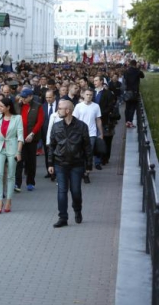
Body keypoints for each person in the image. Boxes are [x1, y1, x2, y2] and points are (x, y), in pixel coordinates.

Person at [48, 100, 93, 228]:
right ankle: (63, 217)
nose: (58, 110)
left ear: (68, 110)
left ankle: (77, 210)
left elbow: (87, 147)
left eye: (60, 108)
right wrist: (50, 163)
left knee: (76, 191)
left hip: (77, 164)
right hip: (60, 164)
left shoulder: (81, 126)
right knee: (61, 191)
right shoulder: (56, 126)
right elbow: (51, 146)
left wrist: (89, 166)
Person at [0, 98, 24, 213]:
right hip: (0, 147)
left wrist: (19, 152)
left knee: (11, 176)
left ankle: (8, 200)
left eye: (1, 106)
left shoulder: (17, 118)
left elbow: (20, 136)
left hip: (13, 147)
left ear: (8, 107)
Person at [14, 88, 44, 192]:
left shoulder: (37, 106)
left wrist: (32, 134)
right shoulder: (17, 105)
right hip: (19, 137)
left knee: (31, 161)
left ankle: (30, 182)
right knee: (19, 160)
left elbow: (40, 122)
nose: (23, 99)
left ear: (31, 97)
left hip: (32, 137)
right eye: (22, 96)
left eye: (25, 97)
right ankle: (17, 183)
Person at [73, 88, 103, 183]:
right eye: (87, 94)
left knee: (88, 154)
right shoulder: (78, 106)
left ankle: (87, 173)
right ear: (83, 95)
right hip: (79, 134)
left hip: (92, 134)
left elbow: (98, 120)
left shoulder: (96, 106)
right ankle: (80, 171)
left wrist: (101, 133)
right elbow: (74, 120)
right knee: (80, 154)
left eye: (90, 95)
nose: (89, 96)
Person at [123, 59, 145, 128]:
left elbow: (125, 80)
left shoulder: (126, 71)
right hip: (134, 92)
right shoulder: (137, 71)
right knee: (132, 107)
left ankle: (127, 121)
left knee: (127, 108)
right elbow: (142, 76)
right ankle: (130, 122)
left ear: (130, 64)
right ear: (135, 64)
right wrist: (138, 68)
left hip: (127, 91)